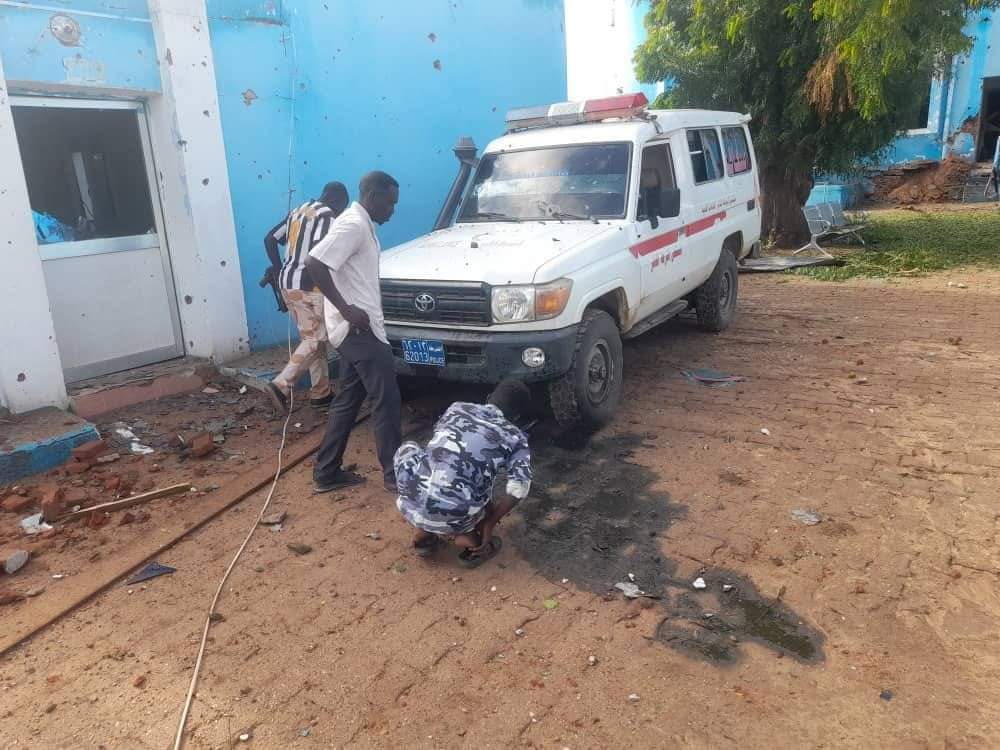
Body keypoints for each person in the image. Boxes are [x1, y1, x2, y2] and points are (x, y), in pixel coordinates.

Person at [304, 171, 402, 494]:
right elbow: (315, 263)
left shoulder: (363, 225)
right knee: (386, 398)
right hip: (359, 331)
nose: (393, 211)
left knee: (348, 400)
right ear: (372, 196)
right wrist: (346, 308)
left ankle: (326, 471)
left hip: (355, 330)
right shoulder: (353, 224)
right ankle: (395, 475)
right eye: (390, 203)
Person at [393, 379, 533, 568]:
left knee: (409, 448)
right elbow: (519, 488)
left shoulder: (457, 408)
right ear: (516, 416)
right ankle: (469, 538)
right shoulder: (515, 437)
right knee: (476, 479)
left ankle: (423, 533)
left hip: (411, 502)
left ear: (489, 397)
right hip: (456, 513)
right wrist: (490, 522)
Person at [262, 182, 350, 411]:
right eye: (342, 208)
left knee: (313, 339)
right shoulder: (328, 215)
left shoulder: (298, 211)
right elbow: (323, 256)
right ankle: (280, 385)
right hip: (311, 286)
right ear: (338, 201)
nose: (340, 213)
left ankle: (320, 393)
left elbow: (270, 239)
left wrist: (279, 267)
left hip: (287, 285)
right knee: (316, 338)